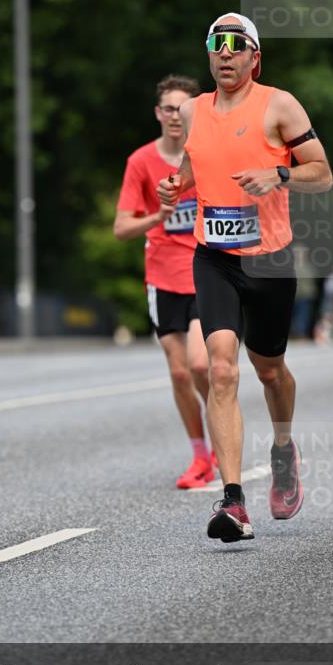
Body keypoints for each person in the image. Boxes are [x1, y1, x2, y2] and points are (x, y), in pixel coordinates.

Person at [157, 13, 333, 542]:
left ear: (255, 57)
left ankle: (283, 449)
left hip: (270, 261)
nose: (226, 53)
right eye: (217, 44)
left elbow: (321, 173)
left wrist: (278, 173)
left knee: (271, 372)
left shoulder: (279, 104)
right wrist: (176, 188)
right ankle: (233, 501)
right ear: (209, 54)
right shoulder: (192, 111)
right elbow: (194, 168)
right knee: (222, 369)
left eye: (237, 45)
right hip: (214, 258)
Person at [114, 74, 218, 489]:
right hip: (162, 277)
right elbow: (121, 227)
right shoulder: (141, 162)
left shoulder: (209, 156)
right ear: (158, 113)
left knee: (199, 364)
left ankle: (226, 432)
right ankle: (201, 456)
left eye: (183, 108)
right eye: (168, 109)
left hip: (206, 272)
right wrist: (157, 216)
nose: (176, 116)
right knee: (179, 375)